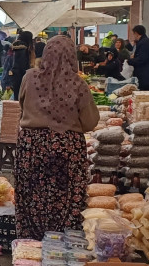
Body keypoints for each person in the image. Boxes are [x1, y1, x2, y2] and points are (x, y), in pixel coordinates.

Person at [14, 35, 100, 239]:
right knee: (66, 196)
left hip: (32, 145)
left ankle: (31, 243)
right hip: (67, 147)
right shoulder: (78, 84)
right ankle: (62, 243)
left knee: (31, 193)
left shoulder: (30, 77)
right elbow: (90, 122)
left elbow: (22, 104)